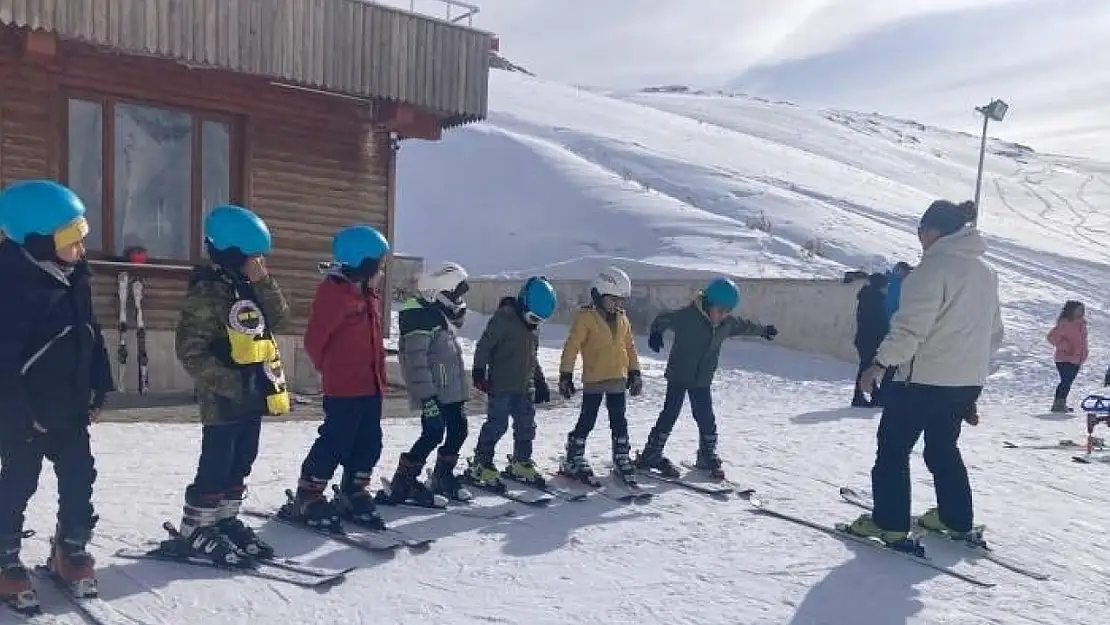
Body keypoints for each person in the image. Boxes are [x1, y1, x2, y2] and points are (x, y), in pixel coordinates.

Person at [848, 199, 1003, 550]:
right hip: (965, 383)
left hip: (923, 381)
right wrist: (968, 370)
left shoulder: (931, 271)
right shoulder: (986, 273)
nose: (919, 237)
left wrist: (880, 363)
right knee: (943, 448)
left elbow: (909, 329)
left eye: (921, 230)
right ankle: (955, 518)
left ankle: (889, 524)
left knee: (893, 449)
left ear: (934, 231)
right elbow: (994, 333)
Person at [0, 181, 113, 610]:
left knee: (80, 476)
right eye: (72, 238)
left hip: (68, 407)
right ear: (38, 240)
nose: (81, 247)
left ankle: (70, 547)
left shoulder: (74, 279)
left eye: (82, 234)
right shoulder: (11, 287)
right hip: (25, 414)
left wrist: (99, 384)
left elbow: (90, 337)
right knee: (17, 484)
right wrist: (19, 413)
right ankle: (5, 557)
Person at [170, 204, 290, 567]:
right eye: (252, 256)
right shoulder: (206, 293)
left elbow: (280, 318)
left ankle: (226, 519)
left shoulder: (249, 287)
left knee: (242, 460)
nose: (258, 262)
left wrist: (263, 282)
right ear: (232, 254)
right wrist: (230, 383)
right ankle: (197, 526)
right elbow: (190, 351)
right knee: (217, 463)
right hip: (223, 397)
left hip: (254, 391)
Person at [284, 225, 391, 531]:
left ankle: (353, 491)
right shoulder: (333, 293)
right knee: (336, 440)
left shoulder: (368, 294)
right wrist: (332, 369)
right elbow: (314, 341)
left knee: (370, 442)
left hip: (370, 385)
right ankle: (309, 493)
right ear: (363, 264)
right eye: (379, 266)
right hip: (344, 387)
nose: (381, 273)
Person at [636, 277, 777, 479]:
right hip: (679, 375)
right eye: (719, 311)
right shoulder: (688, 316)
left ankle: (706, 455)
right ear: (708, 303)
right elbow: (664, 318)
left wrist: (763, 331)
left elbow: (744, 326)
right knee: (670, 414)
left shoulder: (726, 324)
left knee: (706, 417)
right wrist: (656, 332)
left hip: (702, 379)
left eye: (726, 312)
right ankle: (652, 454)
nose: (722, 316)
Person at [378, 262, 472, 505]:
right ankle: (404, 481)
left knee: (459, 430)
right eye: (455, 294)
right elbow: (415, 363)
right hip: (433, 392)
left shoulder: (439, 316)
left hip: (451, 392)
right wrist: (427, 398)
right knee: (432, 433)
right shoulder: (418, 316)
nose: (459, 300)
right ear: (439, 293)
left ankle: (443, 476)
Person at [466, 276, 557, 487]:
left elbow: (532, 357)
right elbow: (484, 346)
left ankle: (521, 461)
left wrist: (540, 380)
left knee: (526, 426)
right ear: (523, 303)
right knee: (497, 425)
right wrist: (479, 371)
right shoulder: (503, 320)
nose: (536, 324)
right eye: (534, 318)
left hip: (525, 387)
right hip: (502, 386)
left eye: (540, 321)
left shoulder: (532, 329)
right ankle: (482, 462)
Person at [557, 266, 643, 486]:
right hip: (594, 377)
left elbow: (629, 346)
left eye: (620, 301)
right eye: (613, 300)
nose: (618, 305)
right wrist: (566, 374)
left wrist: (634, 371)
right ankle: (574, 454)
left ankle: (621, 455)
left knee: (619, 419)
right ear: (598, 295)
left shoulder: (622, 318)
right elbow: (572, 346)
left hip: (617, 377)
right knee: (588, 418)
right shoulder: (586, 317)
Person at [853, 273, 890, 407]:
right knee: (866, 368)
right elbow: (878, 323)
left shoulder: (869, 298)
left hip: (865, 339)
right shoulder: (874, 300)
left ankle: (875, 395)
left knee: (867, 367)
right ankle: (859, 396)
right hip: (869, 340)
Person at [1047, 300, 1087, 413]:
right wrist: (1064, 345)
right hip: (1064, 358)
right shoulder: (1065, 323)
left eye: (1082, 309)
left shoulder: (1082, 324)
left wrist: (1084, 353)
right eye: (1078, 309)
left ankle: (1061, 403)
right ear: (1071, 310)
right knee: (1066, 380)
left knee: (1068, 382)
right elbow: (1051, 337)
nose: (1081, 311)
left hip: (1077, 359)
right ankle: (1058, 404)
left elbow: (1083, 341)